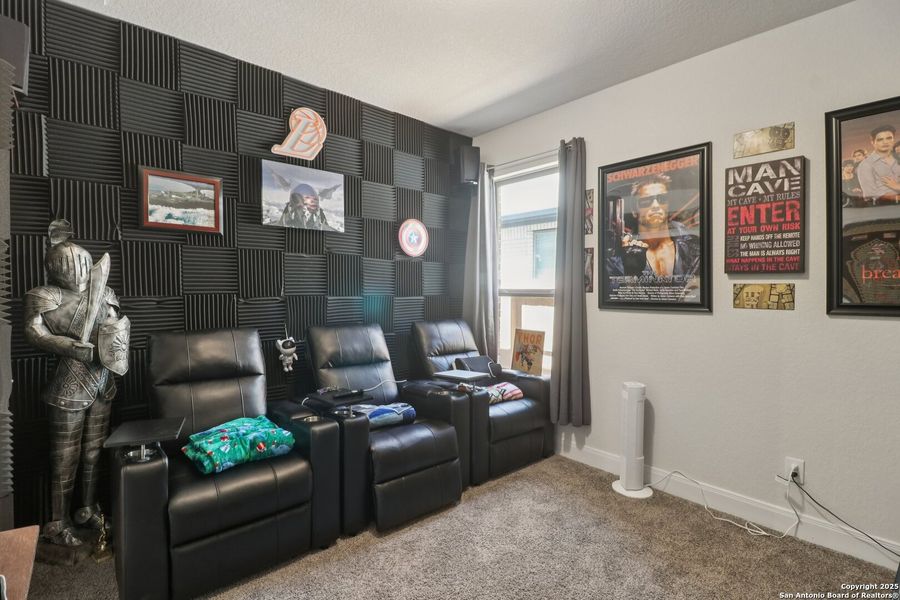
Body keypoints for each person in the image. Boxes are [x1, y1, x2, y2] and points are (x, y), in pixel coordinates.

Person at [23, 220, 130, 546]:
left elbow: (116, 331)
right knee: (64, 457)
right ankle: (57, 521)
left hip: (101, 379)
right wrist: (67, 346)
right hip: (68, 383)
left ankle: (87, 507)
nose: (78, 268)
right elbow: (34, 332)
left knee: (94, 452)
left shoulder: (106, 293)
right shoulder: (45, 295)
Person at [607, 175, 701, 280]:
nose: (656, 205)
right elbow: (614, 293)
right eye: (647, 200)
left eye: (662, 199)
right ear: (634, 210)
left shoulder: (692, 245)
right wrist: (630, 274)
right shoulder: (618, 256)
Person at [856, 125, 900, 203]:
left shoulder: (897, 159)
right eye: (880, 139)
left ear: (893, 139)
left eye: (889, 138)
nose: (885, 142)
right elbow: (870, 195)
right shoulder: (866, 165)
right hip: (884, 208)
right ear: (873, 142)